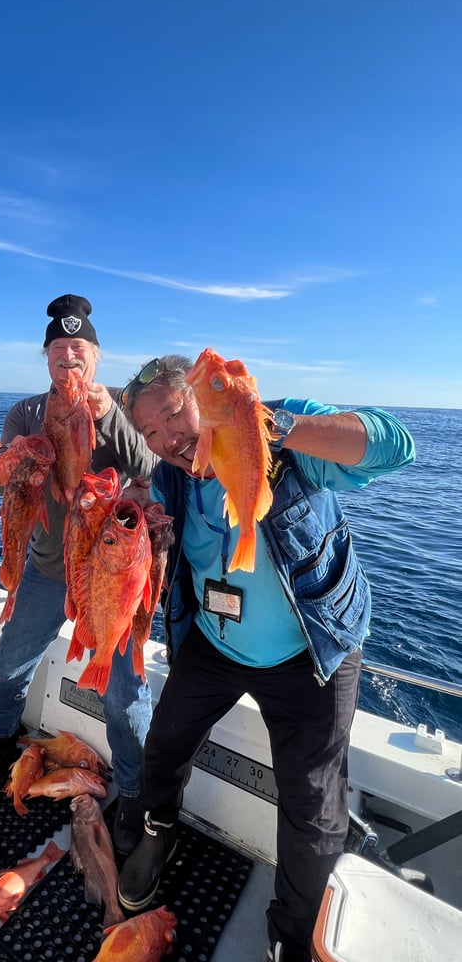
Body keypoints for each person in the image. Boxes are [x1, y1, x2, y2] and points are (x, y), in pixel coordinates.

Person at [116, 354, 415, 962]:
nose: (168, 439)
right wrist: (133, 504)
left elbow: (396, 445)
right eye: (150, 432)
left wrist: (272, 426)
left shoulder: (280, 430)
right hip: (215, 643)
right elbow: (145, 504)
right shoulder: (172, 473)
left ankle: (292, 931)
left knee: (312, 799)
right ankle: (159, 831)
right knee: (165, 745)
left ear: (202, 398)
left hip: (312, 647)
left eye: (174, 414)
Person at [0, 294, 157, 855]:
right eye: (60, 349)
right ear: (46, 358)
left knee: (124, 691)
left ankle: (136, 792)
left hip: (110, 576)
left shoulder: (123, 409)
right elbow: (2, 486)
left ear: (96, 356)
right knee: (11, 658)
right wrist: (10, 459)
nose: (70, 357)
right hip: (45, 568)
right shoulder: (25, 413)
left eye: (80, 348)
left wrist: (108, 414)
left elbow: (153, 468)